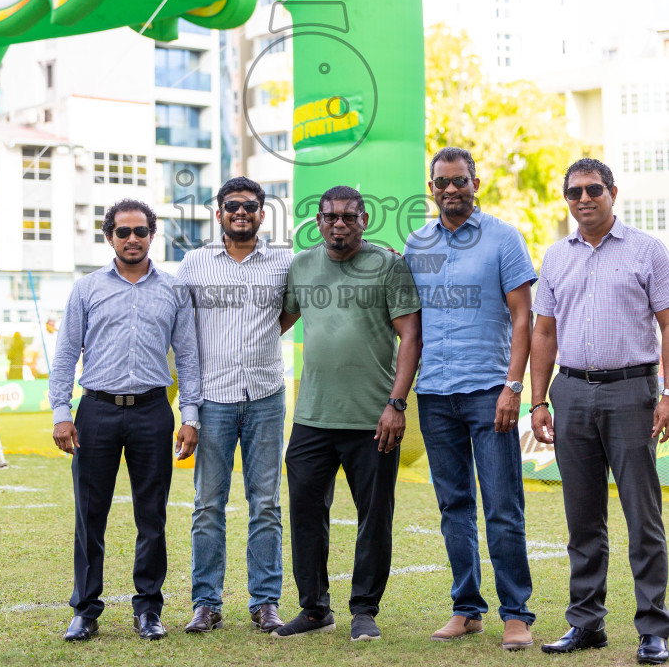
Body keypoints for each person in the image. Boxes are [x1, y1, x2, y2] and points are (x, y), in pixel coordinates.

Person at [531, 158, 669, 664]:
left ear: (613, 192)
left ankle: (653, 629)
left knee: (642, 515)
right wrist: (539, 399)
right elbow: (543, 332)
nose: (583, 199)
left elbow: (668, 324)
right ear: (566, 198)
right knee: (582, 518)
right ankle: (586, 624)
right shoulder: (555, 257)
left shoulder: (648, 251)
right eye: (574, 192)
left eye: (593, 189)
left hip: (632, 393)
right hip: (570, 394)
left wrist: (668, 394)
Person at [273, 185, 421, 642]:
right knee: (304, 515)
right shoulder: (301, 265)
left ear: (364, 220)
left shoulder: (389, 266)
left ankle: (364, 610)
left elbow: (411, 337)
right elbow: (277, 322)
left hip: (373, 420)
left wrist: (396, 405)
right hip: (312, 419)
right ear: (317, 222)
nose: (340, 224)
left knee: (374, 517)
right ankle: (315, 609)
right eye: (331, 217)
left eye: (349, 217)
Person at [49, 198, 201, 642]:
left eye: (140, 231)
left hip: (153, 411)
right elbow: (65, 356)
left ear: (152, 235)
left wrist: (189, 415)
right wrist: (62, 413)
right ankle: (85, 609)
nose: (132, 239)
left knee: (151, 516)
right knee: (89, 515)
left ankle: (148, 609)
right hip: (95, 411)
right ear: (108, 236)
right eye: (123, 232)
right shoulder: (87, 288)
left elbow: (189, 359)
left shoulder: (174, 290)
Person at [404, 146, 536, 650]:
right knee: (453, 505)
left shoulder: (504, 238)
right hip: (435, 394)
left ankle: (516, 614)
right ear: (431, 188)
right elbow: (409, 323)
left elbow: (523, 316)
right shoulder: (417, 244)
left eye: (460, 181)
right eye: (442, 182)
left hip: (490, 393)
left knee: (503, 504)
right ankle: (466, 609)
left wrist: (513, 386)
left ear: (475, 183)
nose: (451, 189)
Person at [176, 177, 293, 635]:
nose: (240, 212)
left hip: (265, 394)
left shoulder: (284, 262)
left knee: (265, 503)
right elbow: (180, 329)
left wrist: (264, 337)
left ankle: (265, 602)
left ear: (262, 214)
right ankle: (206, 603)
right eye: (232, 206)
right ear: (218, 212)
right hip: (212, 400)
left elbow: (294, 307)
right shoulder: (194, 263)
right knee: (208, 504)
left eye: (250, 206)